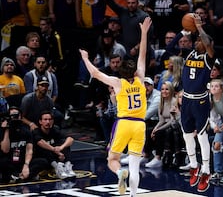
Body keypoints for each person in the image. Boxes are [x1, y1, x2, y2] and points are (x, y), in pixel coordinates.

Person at [79, 17, 151, 196]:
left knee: (113, 158)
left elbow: (95, 73)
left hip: (124, 123)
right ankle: (133, 195)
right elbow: (142, 54)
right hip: (140, 124)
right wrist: (143, 33)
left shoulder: (118, 83)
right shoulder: (140, 78)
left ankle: (119, 173)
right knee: (135, 164)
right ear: (134, 71)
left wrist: (85, 58)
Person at [181, 14, 214, 192]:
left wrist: (200, 28)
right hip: (186, 99)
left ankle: (206, 170)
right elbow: (171, 48)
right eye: (196, 40)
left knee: (201, 136)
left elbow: (208, 43)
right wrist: (184, 30)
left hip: (200, 100)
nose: (196, 42)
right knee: (187, 135)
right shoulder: (190, 53)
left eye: (199, 40)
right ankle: (194, 165)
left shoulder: (209, 58)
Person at [0, 106, 46, 183]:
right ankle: (22, 176)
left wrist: (26, 165)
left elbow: (29, 150)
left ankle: (19, 176)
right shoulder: (3, 130)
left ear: (20, 116)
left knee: (42, 161)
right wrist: (6, 130)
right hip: (9, 160)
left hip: (21, 161)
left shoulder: (26, 131)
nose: (14, 118)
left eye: (16, 115)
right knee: (2, 162)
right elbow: (5, 150)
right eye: (11, 116)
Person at [146, 81, 182, 168]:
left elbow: (172, 120)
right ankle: (145, 155)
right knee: (149, 131)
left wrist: (159, 129)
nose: (164, 91)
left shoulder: (174, 101)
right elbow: (161, 120)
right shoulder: (161, 102)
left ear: (171, 90)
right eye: (162, 89)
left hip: (174, 124)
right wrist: (155, 128)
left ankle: (158, 157)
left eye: (167, 89)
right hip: (165, 123)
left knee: (159, 132)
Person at [32, 111, 75, 179]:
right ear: (40, 121)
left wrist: (61, 148)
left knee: (64, 143)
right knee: (45, 147)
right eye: (45, 119)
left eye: (50, 119)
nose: (48, 122)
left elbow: (70, 139)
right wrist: (54, 150)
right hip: (41, 158)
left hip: (55, 155)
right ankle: (57, 168)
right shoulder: (36, 131)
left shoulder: (55, 129)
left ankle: (67, 166)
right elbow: (40, 142)